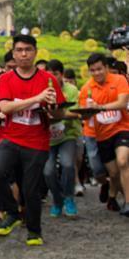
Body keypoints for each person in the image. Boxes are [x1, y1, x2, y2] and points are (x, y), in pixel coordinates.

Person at [0, 34, 65, 246]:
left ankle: (34, 230)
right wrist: (36, 99)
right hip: (10, 138)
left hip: (37, 141)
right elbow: (4, 107)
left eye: (28, 50)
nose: (24, 54)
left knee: (31, 188)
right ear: (13, 53)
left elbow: (58, 113)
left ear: (35, 52)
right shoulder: (5, 79)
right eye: (19, 50)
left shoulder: (47, 79)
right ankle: (12, 213)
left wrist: (51, 108)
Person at [79, 53, 129, 216]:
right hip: (101, 135)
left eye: (100, 69)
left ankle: (128, 203)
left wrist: (100, 107)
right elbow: (84, 116)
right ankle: (112, 195)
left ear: (106, 68)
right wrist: (88, 111)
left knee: (123, 162)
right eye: (93, 70)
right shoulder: (86, 89)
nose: (97, 73)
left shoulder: (119, 80)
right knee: (113, 173)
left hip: (122, 128)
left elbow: (122, 103)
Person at [43, 59, 80, 217]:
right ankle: (58, 200)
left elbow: (77, 112)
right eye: (49, 74)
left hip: (67, 135)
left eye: (55, 74)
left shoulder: (71, 90)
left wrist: (60, 114)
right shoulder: (41, 91)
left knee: (67, 165)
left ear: (62, 75)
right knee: (48, 171)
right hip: (47, 137)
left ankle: (69, 198)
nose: (52, 77)